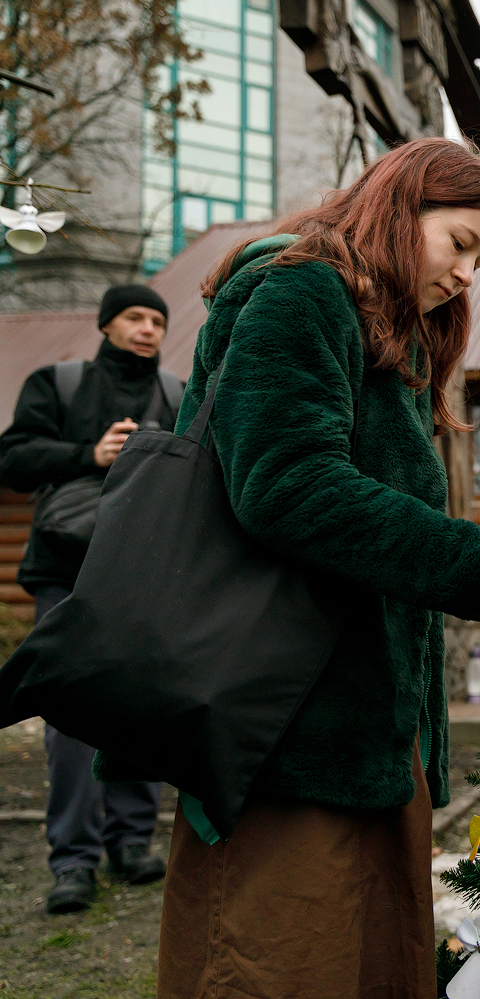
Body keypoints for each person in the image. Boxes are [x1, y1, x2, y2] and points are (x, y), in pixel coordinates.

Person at [150, 138, 480, 997]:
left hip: (365, 732)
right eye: (460, 243)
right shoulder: (299, 292)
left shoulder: (381, 328)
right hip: (284, 729)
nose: (469, 273)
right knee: (272, 966)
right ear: (400, 209)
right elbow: (287, 486)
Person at [0, 284, 179, 914]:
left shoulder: (176, 396)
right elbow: (13, 459)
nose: (148, 328)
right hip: (67, 569)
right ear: (106, 325)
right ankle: (71, 860)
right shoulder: (61, 383)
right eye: (134, 316)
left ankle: (131, 843)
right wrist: (91, 453)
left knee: (140, 706)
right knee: (70, 718)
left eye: (158, 319)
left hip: (145, 577)